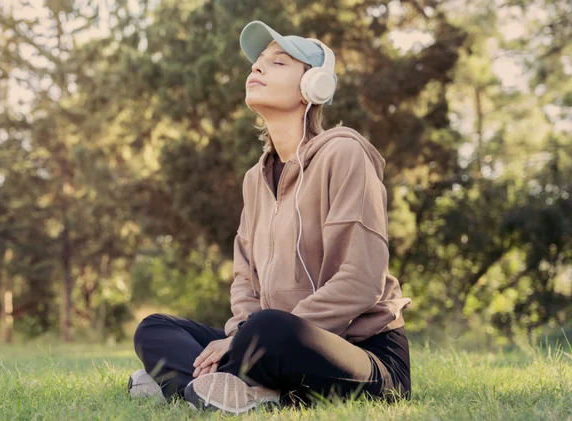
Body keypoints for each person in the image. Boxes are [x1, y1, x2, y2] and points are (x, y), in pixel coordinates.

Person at [127, 20, 413, 414]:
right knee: (155, 328)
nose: (256, 69)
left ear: (314, 86)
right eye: (257, 63)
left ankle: (187, 384)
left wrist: (243, 338)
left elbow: (362, 281)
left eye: (277, 63)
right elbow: (245, 282)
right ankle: (232, 389)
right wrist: (238, 335)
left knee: (269, 329)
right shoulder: (254, 179)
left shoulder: (345, 153)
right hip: (268, 344)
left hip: (360, 355)